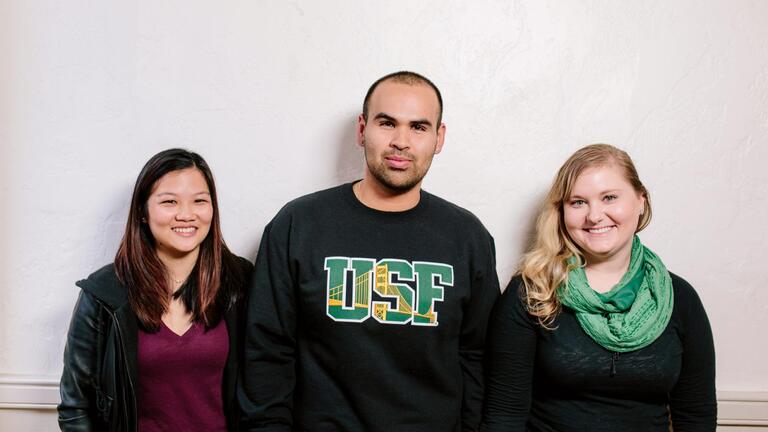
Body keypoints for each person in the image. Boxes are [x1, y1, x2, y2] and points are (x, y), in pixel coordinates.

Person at [238, 71, 500, 431]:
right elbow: (266, 351)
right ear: (362, 130)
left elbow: (478, 357)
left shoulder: (467, 237)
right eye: (387, 123)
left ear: (439, 138)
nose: (401, 141)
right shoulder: (299, 224)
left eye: (419, 127)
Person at [481, 144, 717, 431]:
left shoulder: (680, 299)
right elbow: (504, 415)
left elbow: (696, 415)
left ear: (641, 201)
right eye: (578, 202)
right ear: (562, 212)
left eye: (609, 198)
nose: (594, 216)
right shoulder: (532, 292)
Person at [58, 148, 252, 431]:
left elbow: (265, 386)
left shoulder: (240, 284)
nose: (186, 215)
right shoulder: (104, 294)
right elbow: (75, 408)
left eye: (199, 201)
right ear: (143, 212)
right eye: (170, 202)